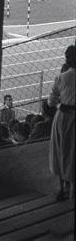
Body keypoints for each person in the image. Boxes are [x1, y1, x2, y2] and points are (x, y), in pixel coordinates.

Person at [48, 44, 76, 202]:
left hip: (64, 117)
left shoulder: (61, 77)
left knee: (60, 150)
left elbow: (51, 102)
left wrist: (60, 105)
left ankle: (61, 188)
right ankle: (72, 192)